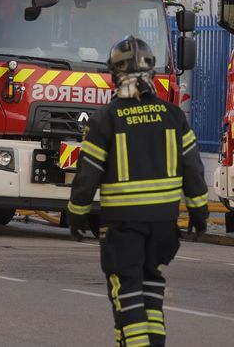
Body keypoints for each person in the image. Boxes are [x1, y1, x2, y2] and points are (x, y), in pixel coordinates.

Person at [66, 36, 208, 347]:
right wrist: (200, 213)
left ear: (115, 74)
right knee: (151, 292)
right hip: (164, 227)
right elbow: (193, 170)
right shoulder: (174, 116)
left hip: (123, 226)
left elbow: (87, 177)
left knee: (127, 295)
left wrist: (76, 214)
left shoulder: (106, 119)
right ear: (151, 71)